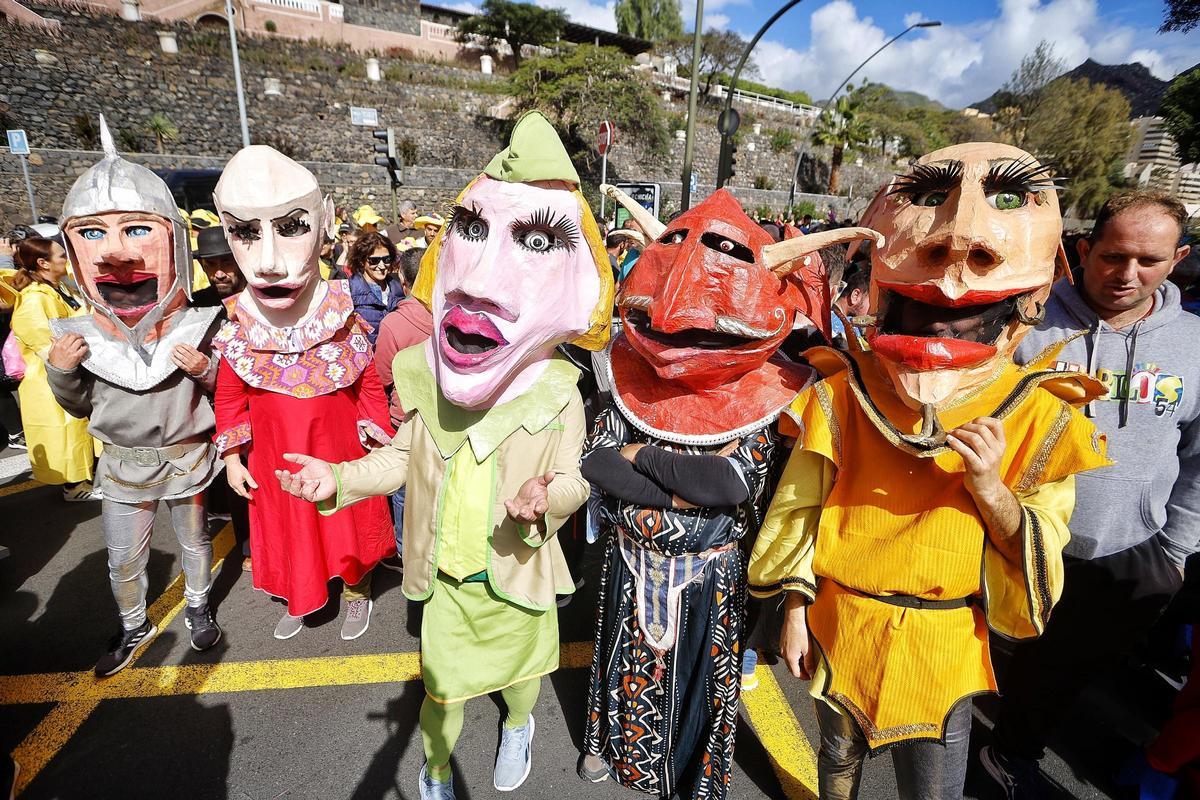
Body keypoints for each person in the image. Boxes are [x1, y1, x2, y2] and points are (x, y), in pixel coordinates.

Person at [748, 143, 1112, 800]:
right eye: (930, 197)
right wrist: (796, 610)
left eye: (1008, 196)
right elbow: (798, 513)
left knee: (933, 791)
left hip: (943, 647)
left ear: (1037, 294)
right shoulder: (840, 392)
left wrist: (991, 489)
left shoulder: (1042, 415)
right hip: (841, 626)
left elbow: (1041, 557)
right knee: (837, 772)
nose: (958, 238)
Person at [275, 112, 612, 800]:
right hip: (449, 587)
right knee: (443, 693)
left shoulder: (559, 392)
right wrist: (335, 477)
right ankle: (433, 771)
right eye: (474, 232)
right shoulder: (427, 378)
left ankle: (520, 729)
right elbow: (400, 459)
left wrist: (545, 499)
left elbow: (575, 478)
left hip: (517, 574)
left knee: (521, 681)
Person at [581, 185, 876, 798]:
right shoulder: (623, 370)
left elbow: (730, 483)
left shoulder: (774, 391)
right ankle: (611, 754)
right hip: (630, 569)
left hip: (709, 582)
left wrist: (644, 459)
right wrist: (678, 483)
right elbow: (599, 466)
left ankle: (689, 782)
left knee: (696, 692)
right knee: (619, 672)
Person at [980, 190, 1199, 798]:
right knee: (983, 655)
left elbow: (1199, 457)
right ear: (1084, 249)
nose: (1128, 274)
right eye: (1113, 255)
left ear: (1178, 258)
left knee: (1064, 675)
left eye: (1150, 260)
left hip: (1127, 555)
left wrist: (1175, 550)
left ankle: (1008, 754)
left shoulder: (1195, 345)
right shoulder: (1024, 323)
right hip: (1011, 540)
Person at [44, 117, 225, 674]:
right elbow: (79, 407)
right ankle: (133, 625)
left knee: (195, 545)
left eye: (137, 230)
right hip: (122, 465)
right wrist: (62, 372)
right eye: (92, 234)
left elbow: (227, 396)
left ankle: (198, 609)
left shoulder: (203, 324)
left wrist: (206, 369)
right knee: (123, 557)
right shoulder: (76, 336)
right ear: (72, 251)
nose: (115, 255)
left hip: (187, 459)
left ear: (172, 234)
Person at [211, 146, 395, 643]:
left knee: (348, 517)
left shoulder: (342, 313)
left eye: (291, 226)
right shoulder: (237, 325)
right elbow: (229, 396)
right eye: (246, 233)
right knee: (291, 523)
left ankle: (357, 589)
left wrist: (378, 442)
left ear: (325, 222)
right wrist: (232, 459)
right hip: (274, 457)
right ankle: (301, 591)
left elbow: (367, 384)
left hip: (340, 447)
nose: (268, 261)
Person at [9, 236, 99, 500]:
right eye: (61, 255)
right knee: (66, 429)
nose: (66, 259)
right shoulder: (34, 299)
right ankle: (74, 486)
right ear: (43, 263)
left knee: (77, 426)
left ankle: (84, 479)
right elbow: (44, 344)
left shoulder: (58, 288)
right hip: (50, 376)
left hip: (71, 371)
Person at [371, 246, 432, 572]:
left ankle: (405, 552)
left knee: (404, 491)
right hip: (445, 419)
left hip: (405, 418)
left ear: (405, 283)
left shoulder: (395, 323)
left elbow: (381, 376)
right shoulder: (456, 314)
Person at [347, 231, 404, 345]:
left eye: (386, 259)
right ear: (361, 261)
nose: (382, 266)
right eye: (374, 260)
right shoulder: (349, 290)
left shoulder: (399, 288)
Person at [192, 226, 245, 305]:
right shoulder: (196, 306)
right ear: (202, 265)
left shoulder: (264, 300)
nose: (219, 275)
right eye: (211, 264)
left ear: (242, 262)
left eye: (227, 264)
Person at [830, 263, 869, 349]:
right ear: (855, 296)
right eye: (872, 302)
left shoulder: (828, 316)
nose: (874, 310)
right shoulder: (844, 327)